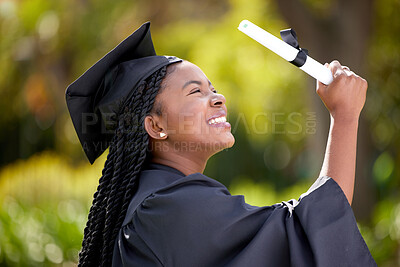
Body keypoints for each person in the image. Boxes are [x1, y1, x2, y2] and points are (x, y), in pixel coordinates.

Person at [66, 22, 376, 267]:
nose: (218, 98)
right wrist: (344, 116)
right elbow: (303, 231)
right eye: (195, 92)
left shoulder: (158, 199)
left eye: (212, 88)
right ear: (156, 126)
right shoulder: (165, 207)